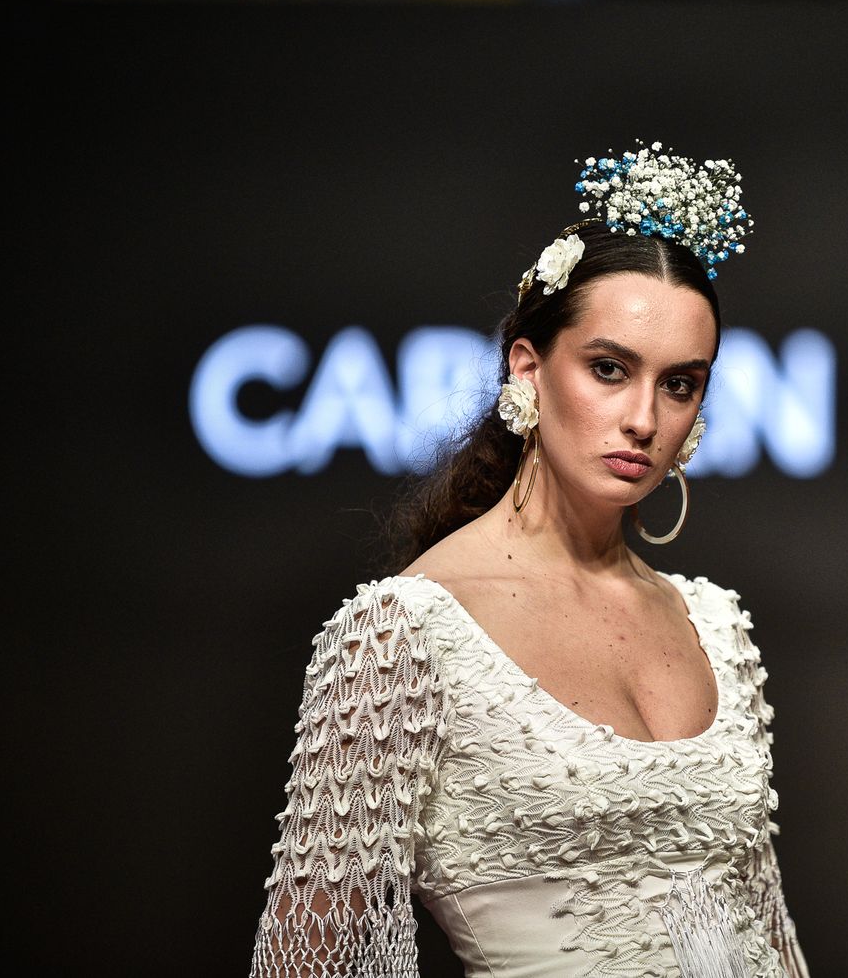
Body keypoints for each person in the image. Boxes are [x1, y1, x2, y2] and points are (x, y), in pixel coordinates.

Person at [248, 141, 810, 977]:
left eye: (680, 384)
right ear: (529, 369)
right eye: (609, 369)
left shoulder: (715, 625)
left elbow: (767, 928)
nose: (644, 419)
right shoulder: (403, 634)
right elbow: (307, 958)